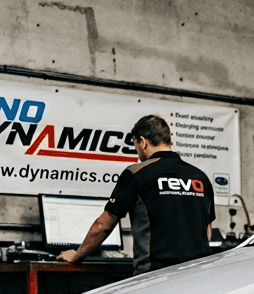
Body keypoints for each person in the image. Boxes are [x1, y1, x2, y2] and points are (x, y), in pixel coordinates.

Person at [58, 115, 215, 274]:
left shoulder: (137, 173)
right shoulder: (200, 177)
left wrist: (77, 255)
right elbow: (207, 231)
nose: (138, 153)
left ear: (143, 141)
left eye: (136, 145)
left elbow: (103, 226)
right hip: (197, 276)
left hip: (153, 276)